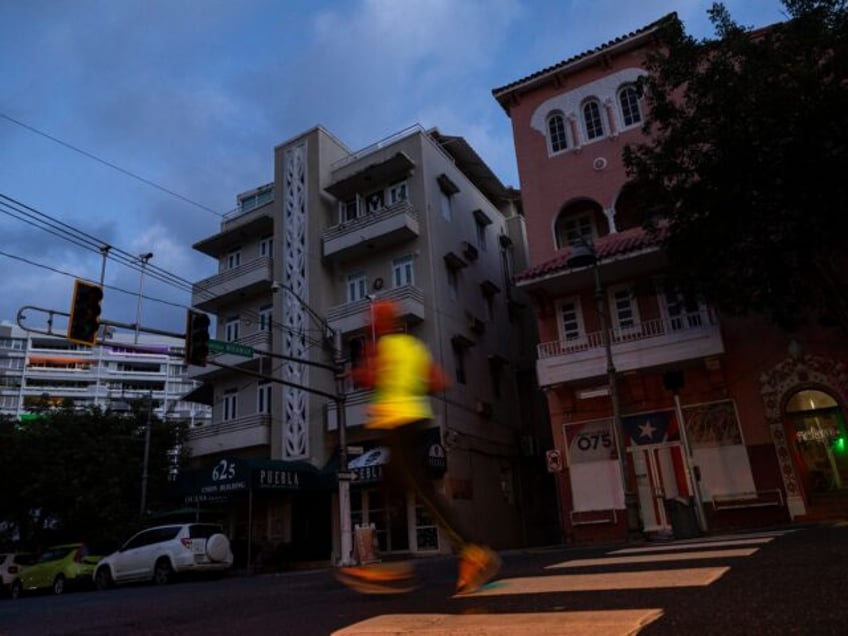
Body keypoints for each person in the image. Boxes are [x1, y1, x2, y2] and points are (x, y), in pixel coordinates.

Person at [336, 300, 501, 595]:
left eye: (374, 316)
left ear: (383, 321)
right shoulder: (413, 347)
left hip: (399, 425)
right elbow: (440, 380)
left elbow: (372, 377)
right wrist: (410, 383)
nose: (369, 319)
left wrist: (356, 375)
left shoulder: (383, 347)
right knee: (393, 490)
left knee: (422, 491)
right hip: (412, 423)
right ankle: (392, 566)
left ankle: (473, 552)